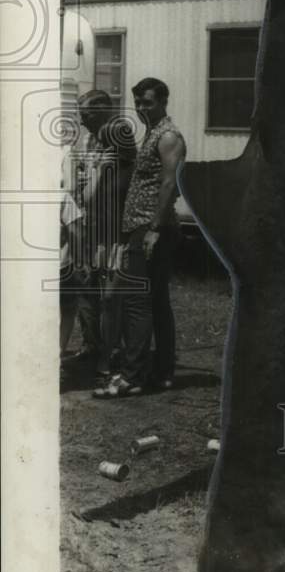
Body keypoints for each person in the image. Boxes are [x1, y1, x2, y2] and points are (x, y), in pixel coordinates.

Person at [94, 77, 186, 398]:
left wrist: (154, 229)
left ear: (163, 101)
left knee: (137, 301)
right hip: (142, 226)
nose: (142, 108)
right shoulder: (152, 135)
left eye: (148, 102)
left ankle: (132, 377)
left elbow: (169, 184)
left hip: (151, 228)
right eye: (138, 102)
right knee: (157, 301)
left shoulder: (168, 136)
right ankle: (163, 373)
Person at [71, 89, 137, 388]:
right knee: (86, 288)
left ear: (102, 111)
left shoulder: (118, 134)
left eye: (86, 114)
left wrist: (98, 172)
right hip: (89, 225)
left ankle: (108, 356)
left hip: (115, 229)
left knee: (111, 297)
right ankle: (92, 345)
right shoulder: (87, 140)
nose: (82, 120)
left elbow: (105, 189)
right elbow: (81, 184)